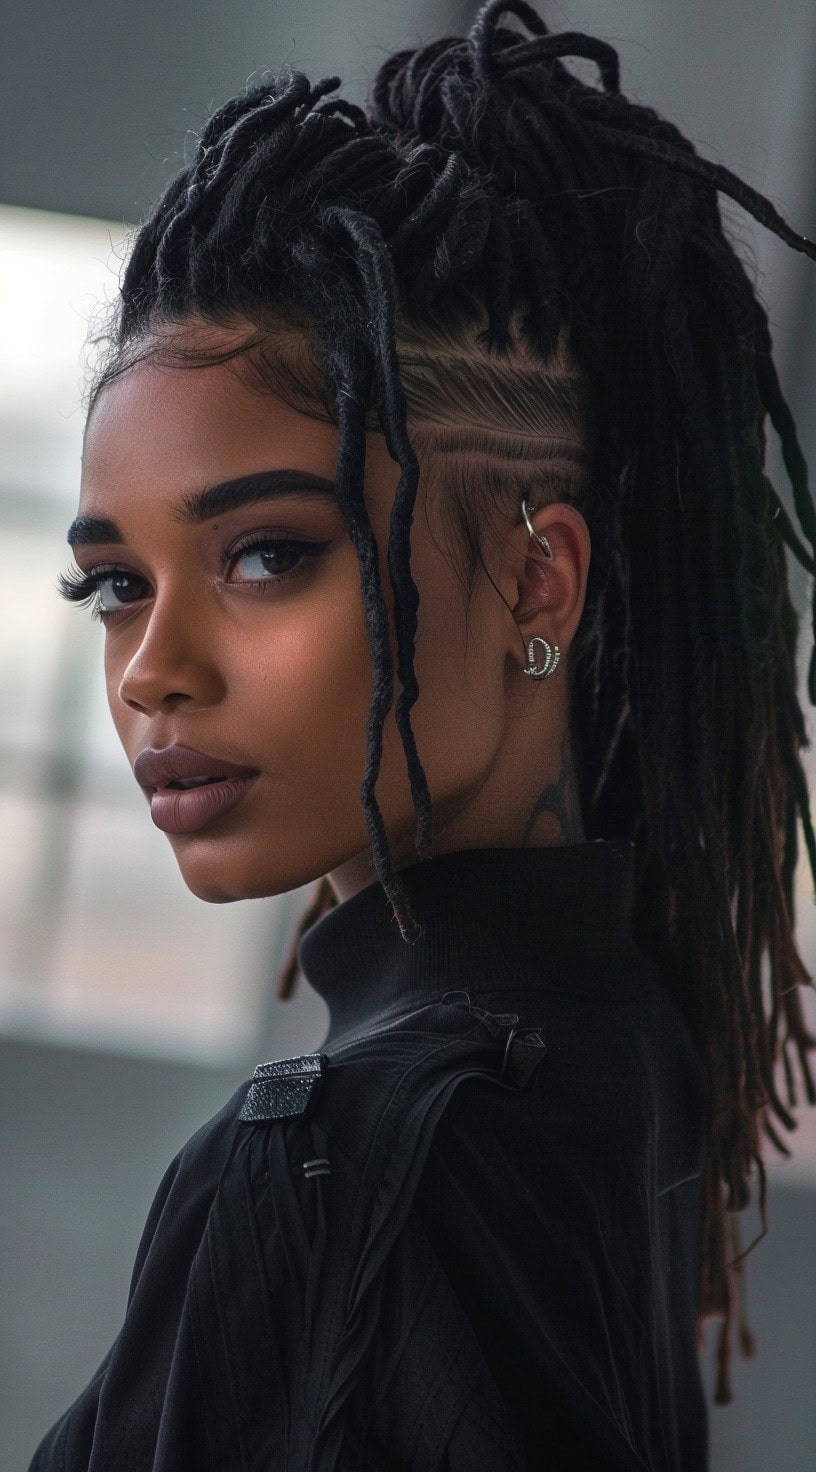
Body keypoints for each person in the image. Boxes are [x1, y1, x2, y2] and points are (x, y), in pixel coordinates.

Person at [30, 0, 816, 1466]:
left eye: (266, 554)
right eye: (116, 586)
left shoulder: (332, 1160)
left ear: (540, 575)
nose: (151, 671)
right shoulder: (619, 1045)